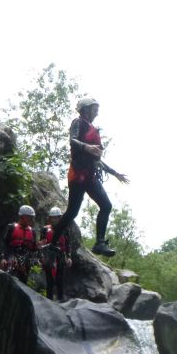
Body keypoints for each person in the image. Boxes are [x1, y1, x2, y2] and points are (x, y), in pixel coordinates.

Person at [51, 97, 128, 257]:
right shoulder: (78, 123)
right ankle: (53, 241)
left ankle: (100, 243)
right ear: (86, 109)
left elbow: (97, 160)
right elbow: (73, 141)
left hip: (90, 176)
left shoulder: (92, 128)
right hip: (78, 175)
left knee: (106, 206)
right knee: (72, 212)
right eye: (94, 109)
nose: (97, 113)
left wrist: (115, 173)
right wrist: (87, 147)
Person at [39, 206, 73, 301]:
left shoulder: (65, 230)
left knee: (60, 278)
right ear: (49, 218)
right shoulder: (45, 230)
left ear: (60, 218)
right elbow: (41, 244)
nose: (54, 220)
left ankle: (61, 298)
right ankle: (49, 299)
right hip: (49, 255)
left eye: (56, 217)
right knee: (49, 279)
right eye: (52, 218)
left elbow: (68, 244)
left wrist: (69, 257)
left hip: (61, 255)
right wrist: (42, 257)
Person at [0, 205, 38, 283]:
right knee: (8, 279)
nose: (31, 219)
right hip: (12, 255)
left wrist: (37, 247)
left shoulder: (32, 231)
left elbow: (33, 248)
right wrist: (3, 258)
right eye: (29, 217)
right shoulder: (12, 227)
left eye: (32, 217)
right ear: (22, 216)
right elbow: (4, 243)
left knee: (23, 282)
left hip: (25, 259)